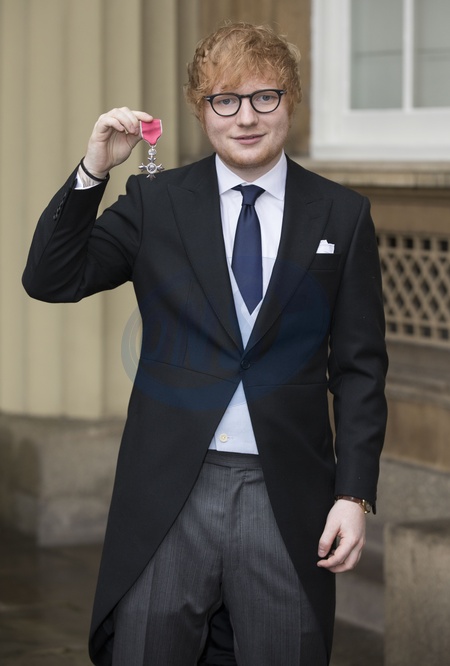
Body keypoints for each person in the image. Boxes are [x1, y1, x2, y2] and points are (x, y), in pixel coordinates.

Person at [23, 21, 388, 666]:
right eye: (225, 100)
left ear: (291, 101)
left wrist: (354, 494)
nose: (246, 117)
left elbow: (360, 370)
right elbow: (52, 279)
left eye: (265, 97)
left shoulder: (342, 213)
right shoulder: (155, 201)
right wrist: (93, 170)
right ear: (201, 109)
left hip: (286, 494)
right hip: (169, 492)